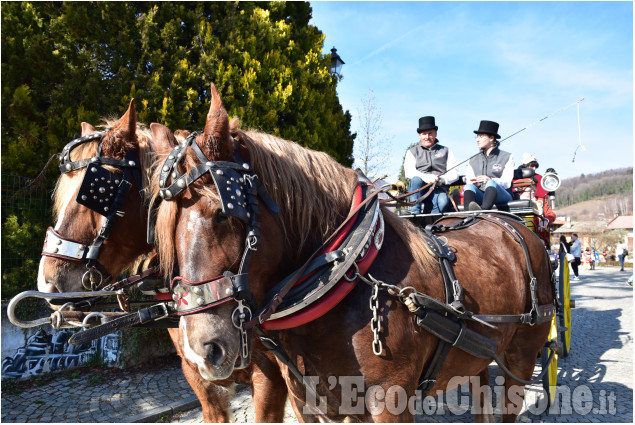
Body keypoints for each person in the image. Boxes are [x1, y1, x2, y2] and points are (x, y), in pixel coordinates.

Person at [404, 116, 459, 214]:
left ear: (435, 133)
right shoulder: (412, 152)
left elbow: (454, 174)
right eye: (424, 134)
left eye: (430, 133)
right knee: (416, 179)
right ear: (419, 135)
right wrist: (427, 177)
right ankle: (415, 214)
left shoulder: (446, 151)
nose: (427, 137)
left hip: (438, 188)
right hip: (419, 189)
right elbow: (409, 172)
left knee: (443, 201)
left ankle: (432, 222)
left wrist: (441, 179)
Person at [464, 120, 514, 210]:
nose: (477, 139)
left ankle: (483, 212)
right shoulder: (472, 159)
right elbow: (469, 181)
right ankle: (468, 216)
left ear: (491, 138)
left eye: (481, 136)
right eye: (477, 136)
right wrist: (473, 182)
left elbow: (507, 183)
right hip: (481, 194)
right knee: (468, 186)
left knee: (491, 183)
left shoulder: (507, 156)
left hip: (502, 195)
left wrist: (490, 180)